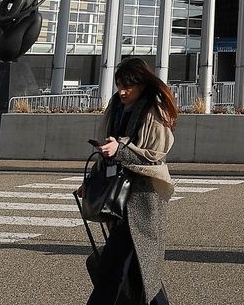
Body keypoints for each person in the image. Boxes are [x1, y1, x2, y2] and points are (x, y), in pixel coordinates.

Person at [85, 57, 177, 305]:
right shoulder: (115, 107)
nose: (122, 91)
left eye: (128, 86)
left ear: (143, 85)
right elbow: (109, 148)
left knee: (112, 270)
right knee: (140, 272)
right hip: (117, 199)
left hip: (141, 205)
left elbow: (154, 160)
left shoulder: (154, 113)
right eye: (119, 85)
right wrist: (91, 179)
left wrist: (121, 150)